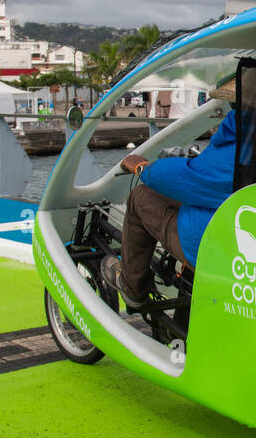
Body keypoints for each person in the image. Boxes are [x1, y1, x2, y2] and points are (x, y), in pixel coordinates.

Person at [103, 104, 241, 309]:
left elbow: (194, 178)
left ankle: (132, 288)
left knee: (140, 197)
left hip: (216, 245)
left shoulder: (243, 142)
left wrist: (143, 168)